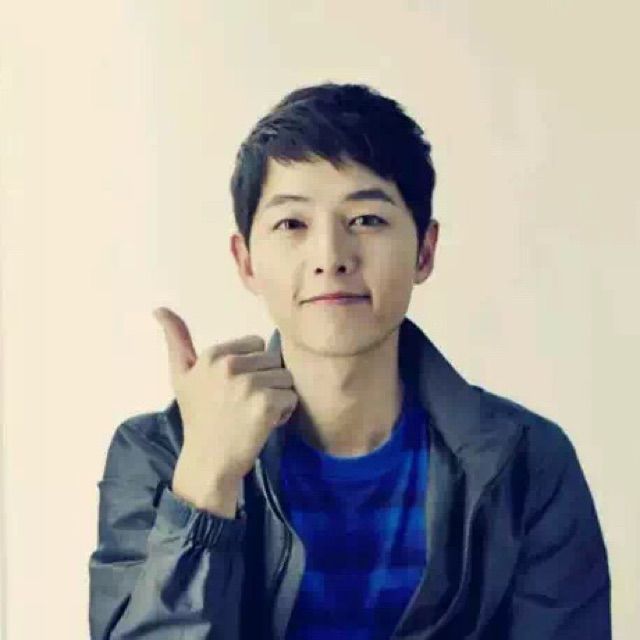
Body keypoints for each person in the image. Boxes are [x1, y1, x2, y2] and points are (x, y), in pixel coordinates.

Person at [88, 83, 611, 640]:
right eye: (292, 224)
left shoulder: (525, 461)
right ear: (246, 261)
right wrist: (205, 485)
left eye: (366, 219)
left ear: (425, 251)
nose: (331, 257)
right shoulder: (159, 455)